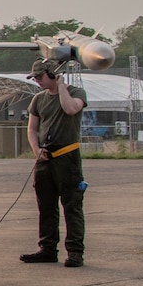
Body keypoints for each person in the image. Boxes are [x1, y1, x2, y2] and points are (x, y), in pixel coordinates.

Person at [22, 59, 88, 267]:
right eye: (35, 78)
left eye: (40, 76)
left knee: (72, 206)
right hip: (45, 159)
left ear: (53, 73)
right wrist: (36, 150)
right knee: (46, 206)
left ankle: (75, 252)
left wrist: (61, 88)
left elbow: (70, 109)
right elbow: (32, 129)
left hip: (67, 158)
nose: (38, 81)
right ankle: (47, 248)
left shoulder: (76, 93)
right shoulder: (38, 100)